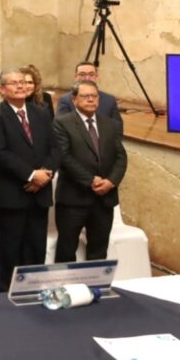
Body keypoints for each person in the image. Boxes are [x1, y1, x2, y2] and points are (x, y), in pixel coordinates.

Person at [0, 69, 61, 292]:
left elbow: (55, 148)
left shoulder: (41, 113)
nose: (20, 86)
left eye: (23, 83)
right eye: (14, 83)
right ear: (2, 89)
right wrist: (31, 175)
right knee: (10, 253)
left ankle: (36, 296)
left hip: (40, 195)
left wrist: (44, 174)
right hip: (12, 197)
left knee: (36, 251)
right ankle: (5, 304)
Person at [53, 81, 128, 263]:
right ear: (74, 99)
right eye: (85, 96)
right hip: (73, 199)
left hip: (104, 200)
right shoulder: (62, 123)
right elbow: (64, 157)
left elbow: (121, 156)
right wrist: (91, 181)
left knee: (99, 252)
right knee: (66, 251)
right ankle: (66, 291)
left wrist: (111, 181)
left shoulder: (109, 124)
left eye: (94, 96)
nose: (90, 100)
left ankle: (96, 290)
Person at [56, 61, 122, 121]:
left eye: (91, 74)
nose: (87, 78)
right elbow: (61, 127)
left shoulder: (110, 100)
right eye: (82, 74)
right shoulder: (65, 100)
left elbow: (117, 128)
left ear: (96, 77)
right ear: (76, 77)